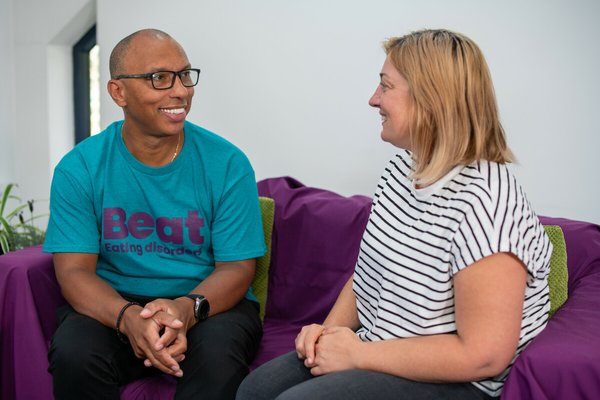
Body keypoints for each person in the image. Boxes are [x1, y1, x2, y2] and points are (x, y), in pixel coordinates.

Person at [236, 29, 552, 400]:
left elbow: (484, 356)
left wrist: (358, 355)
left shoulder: (486, 202)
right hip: (382, 348)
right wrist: (327, 335)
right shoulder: (402, 168)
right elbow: (367, 275)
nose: (374, 99)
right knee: (255, 391)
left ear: (431, 101)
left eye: (386, 86)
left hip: (458, 382)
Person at [44, 28, 266, 400]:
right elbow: (74, 272)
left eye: (184, 75)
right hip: (114, 301)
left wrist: (185, 309)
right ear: (118, 92)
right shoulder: (80, 167)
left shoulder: (228, 163)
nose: (180, 91)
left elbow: (237, 268)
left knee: (218, 359)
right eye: (159, 78)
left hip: (205, 302)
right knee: (74, 354)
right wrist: (127, 317)